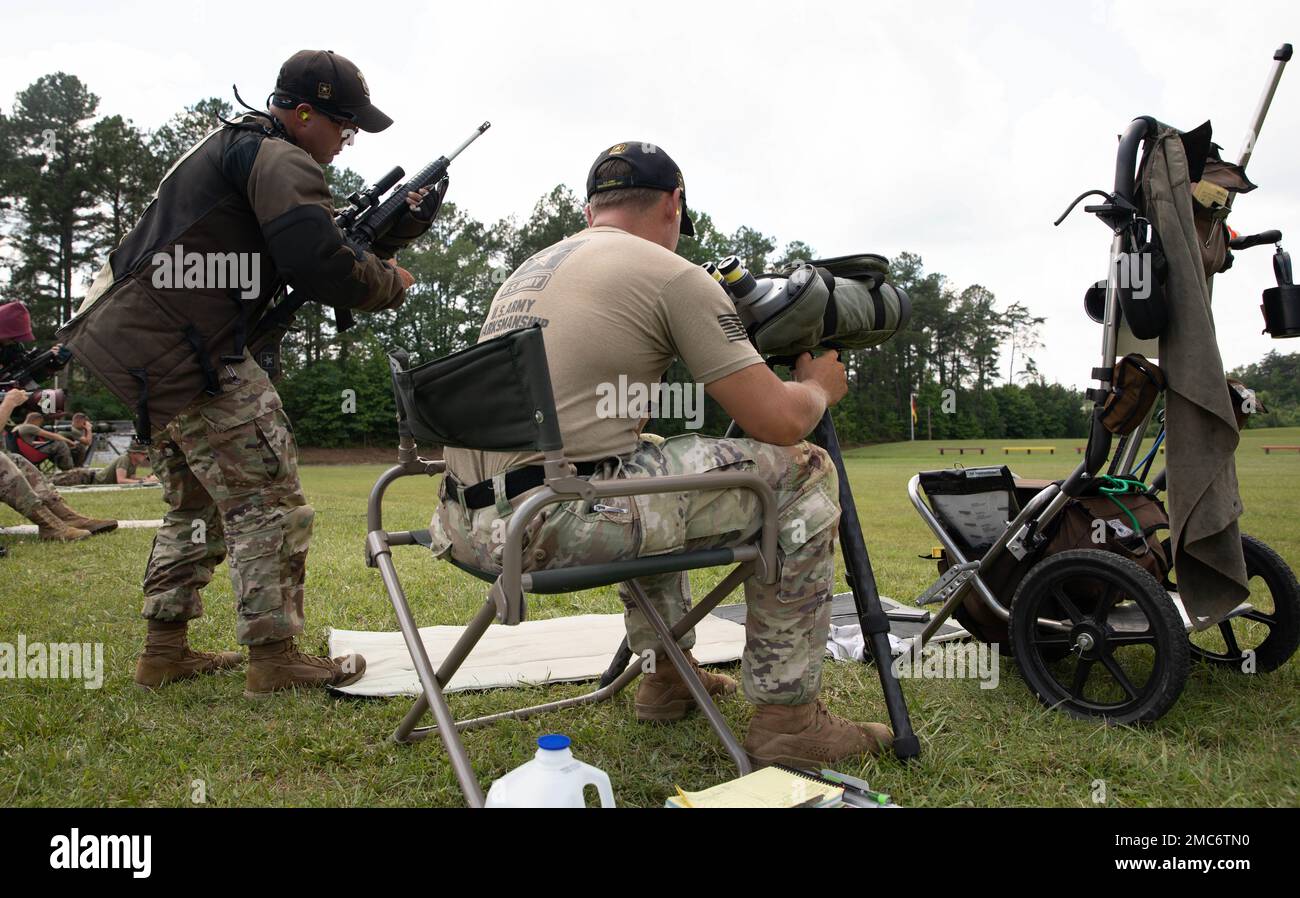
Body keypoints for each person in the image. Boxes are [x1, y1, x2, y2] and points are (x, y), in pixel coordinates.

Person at [432, 142, 893, 769]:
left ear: (593, 209)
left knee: (642, 462)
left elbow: (602, 420)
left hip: (465, 522)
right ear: (674, 204)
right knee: (806, 472)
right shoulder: (670, 272)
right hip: (546, 523)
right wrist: (816, 385)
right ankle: (789, 720)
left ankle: (666, 674)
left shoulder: (533, 269)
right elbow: (778, 421)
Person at [56, 50, 436, 695]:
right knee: (269, 502)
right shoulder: (281, 157)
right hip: (197, 354)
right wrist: (391, 281)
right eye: (345, 126)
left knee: (194, 509)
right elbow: (318, 262)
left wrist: (386, 237)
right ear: (305, 112)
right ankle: (274, 658)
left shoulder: (231, 147)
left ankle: (164, 651)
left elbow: (286, 259)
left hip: (149, 356)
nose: (347, 142)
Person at [1, 387, 118, 539]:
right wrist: (8, 403)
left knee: (16, 460)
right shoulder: (27, 427)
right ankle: (48, 524)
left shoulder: (20, 427)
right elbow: (82, 441)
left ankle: (67, 517)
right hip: (40, 455)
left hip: (29, 455)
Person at [49, 440, 157, 486]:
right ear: (134, 453)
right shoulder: (125, 459)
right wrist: (142, 482)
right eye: (143, 454)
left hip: (90, 477)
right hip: (87, 478)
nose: (145, 456)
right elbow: (121, 480)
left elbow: (131, 477)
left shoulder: (134, 462)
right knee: (53, 482)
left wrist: (145, 479)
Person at [13, 412, 79, 470]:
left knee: (53, 446)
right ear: (36, 420)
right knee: (60, 443)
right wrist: (69, 441)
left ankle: (63, 466)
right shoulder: (29, 427)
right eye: (40, 422)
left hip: (22, 454)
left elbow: (27, 443)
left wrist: (43, 443)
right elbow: (52, 435)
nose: (40, 425)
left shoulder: (17, 427)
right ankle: (68, 469)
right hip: (33, 455)